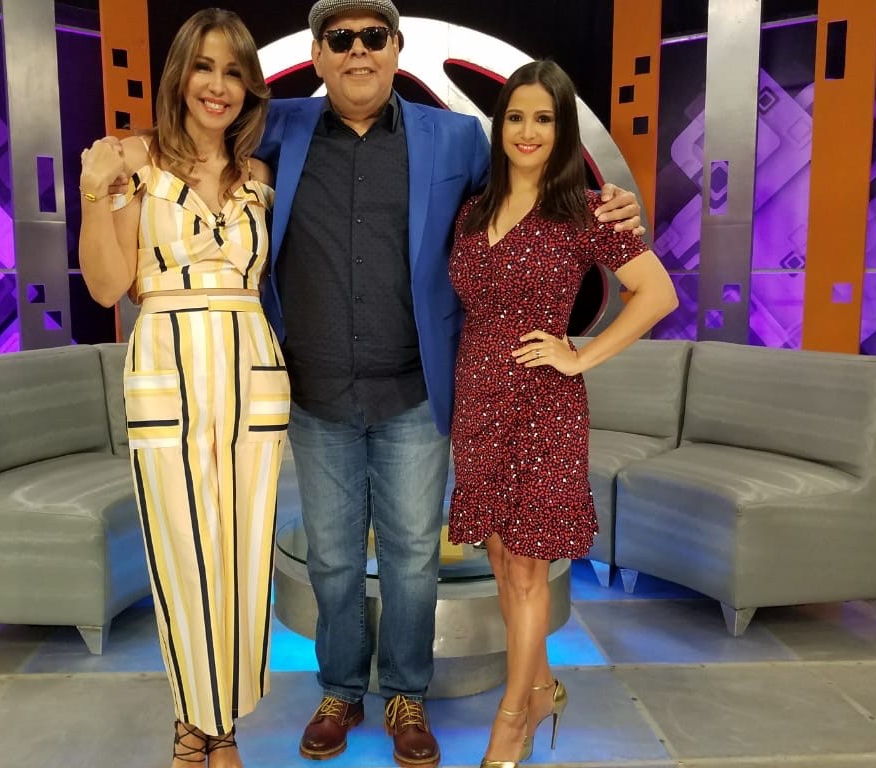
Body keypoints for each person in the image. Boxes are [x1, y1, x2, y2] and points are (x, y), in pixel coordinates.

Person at [253, 3, 645, 766]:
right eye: (341, 39)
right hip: (317, 390)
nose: (358, 51)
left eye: (373, 37)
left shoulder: (457, 138)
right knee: (332, 556)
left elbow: (533, 189)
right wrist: (118, 160)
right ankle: (340, 689)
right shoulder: (281, 126)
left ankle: (406, 693)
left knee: (411, 556)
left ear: (397, 49)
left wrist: (612, 206)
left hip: (415, 391)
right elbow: (197, 132)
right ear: (318, 55)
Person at [447, 60, 678, 768]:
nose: (528, 131)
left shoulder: (585, 210)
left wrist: (581, 354)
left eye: (543, 118)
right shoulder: (473, 209)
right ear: (500, 126)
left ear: (563, 129)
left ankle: (513, 717)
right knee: (501, 558)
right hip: (478, 402)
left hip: (543, 407)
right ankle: (542, 687)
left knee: (527, 568)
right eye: (516, 116)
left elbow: (657, 293)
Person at [77, 9, 282, 768]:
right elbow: (107, 287)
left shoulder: (259, 177)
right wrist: (94, 192)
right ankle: (205, 728)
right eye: (204, 66)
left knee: (243, 555)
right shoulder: (133, 160)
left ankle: (210, 724)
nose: (217, 85)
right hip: (167, 359)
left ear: (249, 87)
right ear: (179, 75)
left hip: (253, 368)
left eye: (233, 72)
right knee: (181, 550)